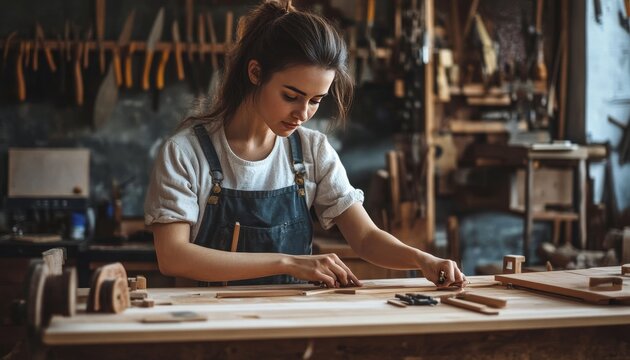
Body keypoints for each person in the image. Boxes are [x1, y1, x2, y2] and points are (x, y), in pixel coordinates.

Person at [144, 0, 466, 288]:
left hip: (292, 321)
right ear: (255, 73)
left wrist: (422, 260)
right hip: (208, 325)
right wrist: (289, 262)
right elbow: (173, 257)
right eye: (291, 96)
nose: (303, 114)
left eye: (316, 101)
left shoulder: (312, 151)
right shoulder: (186, 153)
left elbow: (366, 238)